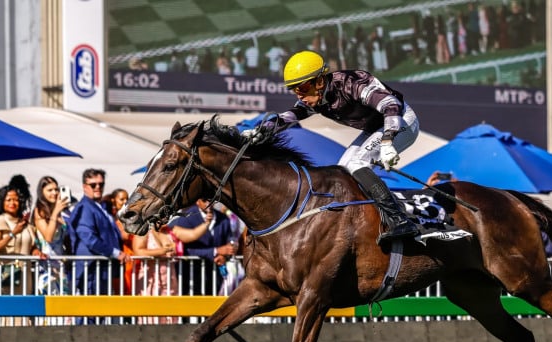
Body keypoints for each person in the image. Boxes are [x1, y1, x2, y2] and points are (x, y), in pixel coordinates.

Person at [242, 50, 419, 244]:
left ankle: (400, 220)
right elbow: (289, 117)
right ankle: (370, 221)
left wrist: (387, 140)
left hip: (401, 121)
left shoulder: (352, 83)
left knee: (357, 164)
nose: (299, 95)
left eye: (302, 87)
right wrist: (261, 131)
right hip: (375, 128)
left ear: (319, 81)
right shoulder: (315, 97)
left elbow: (391, 104)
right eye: (294, 90)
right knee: (343, 172)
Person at [68, 169, 130, 325]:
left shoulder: (98, 207)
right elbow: (89, 238)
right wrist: (115, 253)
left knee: (99, 315)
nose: (97, 187)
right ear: (84, 186)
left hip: (101, 270)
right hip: (90, 270)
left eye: (101, 184)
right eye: (93, 184)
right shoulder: (85, 207)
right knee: (89, 315)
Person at [132, 212, 212, 325]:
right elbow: (138, 251)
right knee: (151, 312)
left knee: (170, 312)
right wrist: (162, 252)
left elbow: (193, 234)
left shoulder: (170, 230)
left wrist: (207, 223)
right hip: (150, 279)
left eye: (167, 216)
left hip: (170, 278)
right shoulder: (144, 231)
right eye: (163, 215)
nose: (166, 218)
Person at [169, 198, 235, 297]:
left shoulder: (223, 218)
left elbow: (229, 243)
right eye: (204, 200)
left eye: (211, 200)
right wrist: (215, 251)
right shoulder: (186, 217)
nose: (209, 203)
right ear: (197, 201)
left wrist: (225, 255)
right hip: (190, 275)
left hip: (215, 275)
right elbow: (184, 249)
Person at [0, 180, 41, 326]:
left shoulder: (25, 223)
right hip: (7, 274)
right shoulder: (1, 221)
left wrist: (36, 252)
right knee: (9, 309)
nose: (13, 203)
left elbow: (31, 245)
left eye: (16, 199)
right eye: (9, 199)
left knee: (24, 309)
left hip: (25, 274)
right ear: (2, 202)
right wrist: (12, 233)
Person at [32, 176, 72, 311]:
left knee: (65, 306)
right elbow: (48, 237)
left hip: (62, 265)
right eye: (49, 190)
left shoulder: (63, 212)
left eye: (56, 189)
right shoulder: (39, 211)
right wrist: (55, 212)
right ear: (42, 192)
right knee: (52, 305)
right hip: (47, 265)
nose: (54, 193)